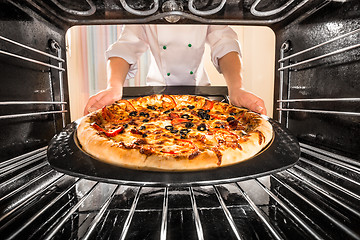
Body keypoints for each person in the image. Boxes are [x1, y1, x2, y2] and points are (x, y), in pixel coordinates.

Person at [84, 25, 267, 115]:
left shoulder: (207, 5)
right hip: (157, 96)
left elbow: (225, 43)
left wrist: (236, 89)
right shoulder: (144, 5)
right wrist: (114, 87)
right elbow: (126, 47)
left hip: (201, 95)